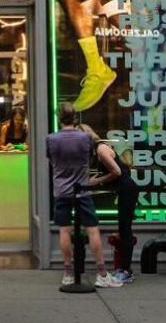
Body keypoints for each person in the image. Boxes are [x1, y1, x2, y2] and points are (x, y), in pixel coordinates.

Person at [46, 103, 121, 288]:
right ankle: (102, 273)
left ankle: (67, 273)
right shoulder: (85, 138)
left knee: (64, 230)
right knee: (92, 229)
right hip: (82, 189)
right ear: (74, 117)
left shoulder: (51, 139)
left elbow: (52, 161)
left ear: (58, 117)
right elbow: (90, 157)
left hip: (61, 190)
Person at [85, 130, 139, 284]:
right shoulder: (101, 149)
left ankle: (126, 270)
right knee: (123, 229)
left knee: (125, 229)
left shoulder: (101, 150)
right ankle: (123, 268)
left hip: (127, 189)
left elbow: (117, 171)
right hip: (124, 190)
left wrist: (98, 181)